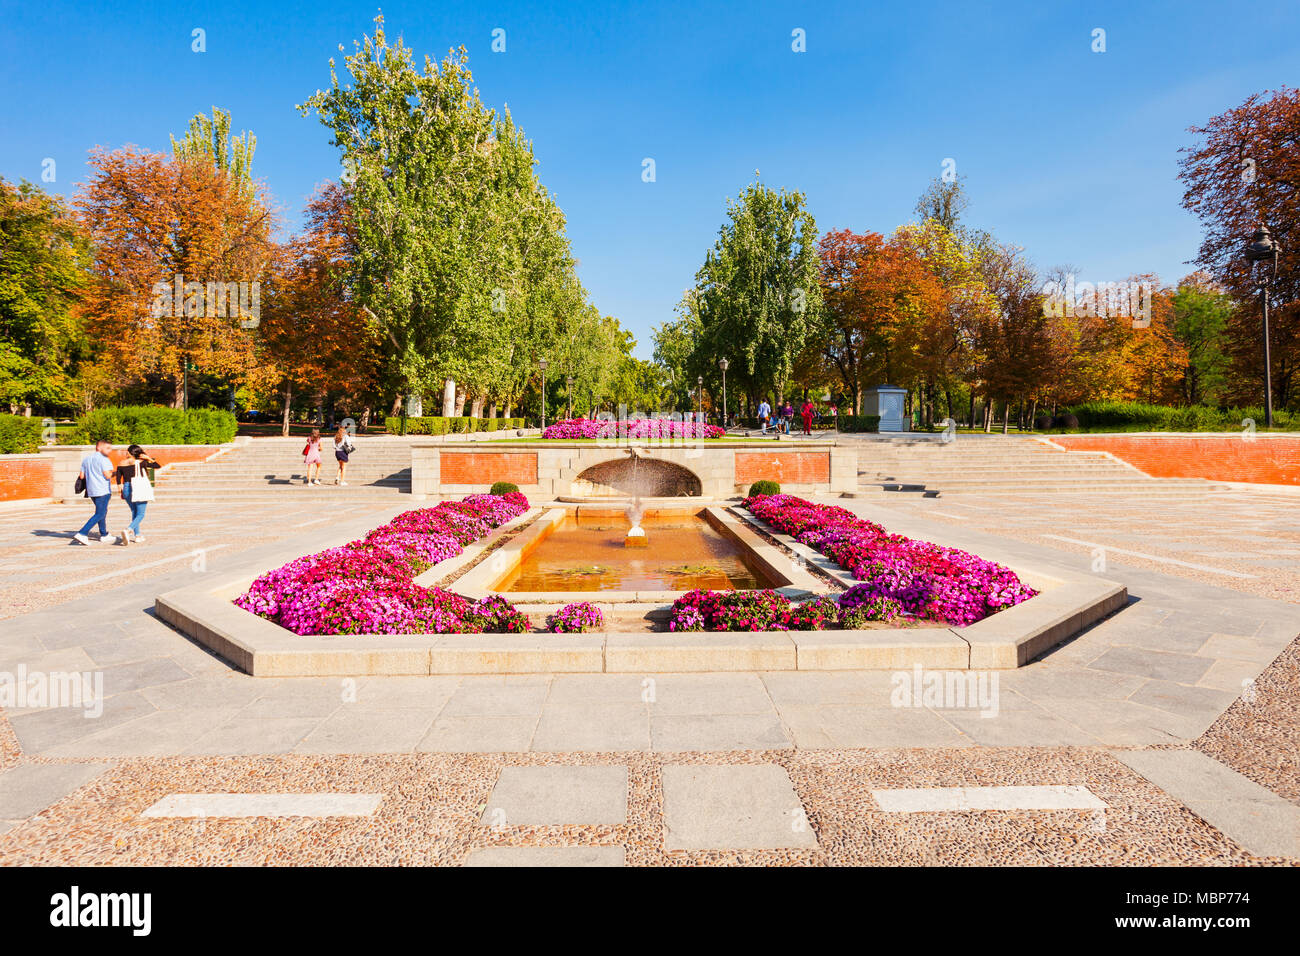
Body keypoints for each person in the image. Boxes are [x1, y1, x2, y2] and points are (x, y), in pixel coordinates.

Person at [73, 439, 117, 545]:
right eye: (107, 448)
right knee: (100, 513)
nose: (110, 450)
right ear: (98, 447)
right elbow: (107, 475)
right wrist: (117, 473)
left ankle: (104, 534)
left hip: (91, 490)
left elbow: (82, 476)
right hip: (103, 489)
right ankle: (82, 533)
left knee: (101, 512)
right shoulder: (104, 459)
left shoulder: (86, 459)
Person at [115, 444, 159, 545]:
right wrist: (148, 458)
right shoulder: (142, 462)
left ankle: (138, 536)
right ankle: (128, 530)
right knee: (141, 514)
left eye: (127, 451)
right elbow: (157, 466)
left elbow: (118, 476)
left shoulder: (121, 462)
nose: (126, 453)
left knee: (134, 512)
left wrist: (119, 486)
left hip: (126, 488)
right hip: (139, 488)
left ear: (131, 452)